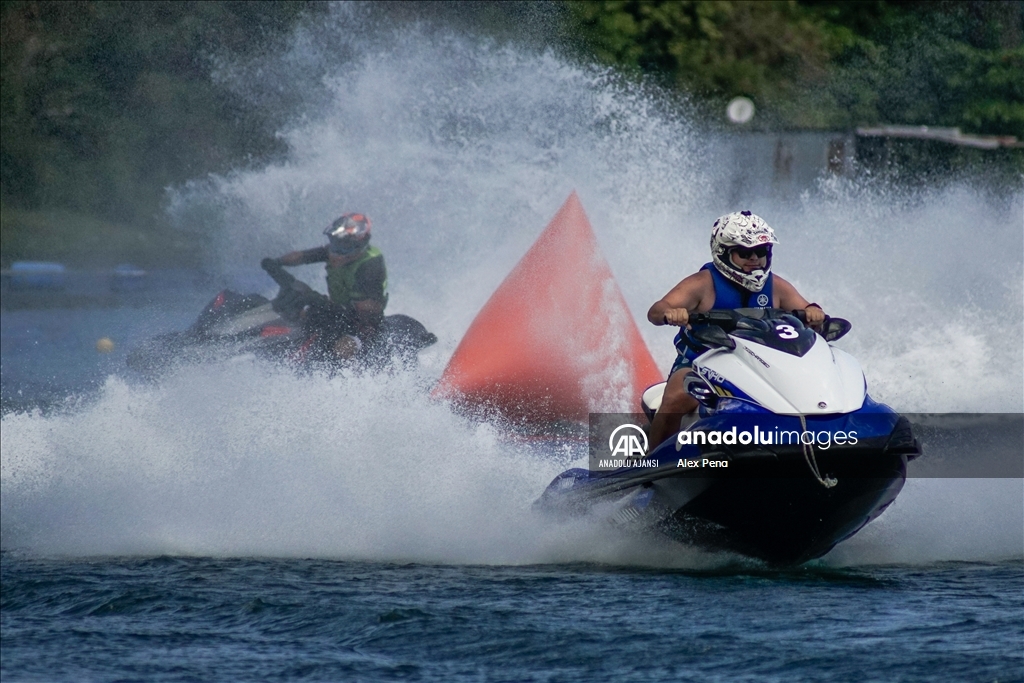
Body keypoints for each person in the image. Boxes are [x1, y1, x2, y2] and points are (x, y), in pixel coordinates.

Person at [646, 211, 826, 451]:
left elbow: (806, 308)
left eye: (760, 252)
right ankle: (650, 463)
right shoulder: (703, 284)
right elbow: (656, 310)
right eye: (744, 253)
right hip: (701, 364)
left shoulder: (776, 287)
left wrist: (814, 312)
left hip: (757, 366)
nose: (754, 259)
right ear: (724, 253)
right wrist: (670, 312)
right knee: (677, 397)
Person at [263, 213, 388, 354]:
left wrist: (320, 302)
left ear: (359, 244)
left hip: (363, 326)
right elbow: (303, 257)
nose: (336, 252)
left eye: (344, 246)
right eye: (335, 243)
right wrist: (277, 262)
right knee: (296, 313)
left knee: (341, 350)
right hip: (338, 313)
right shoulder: (337, 252)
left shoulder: (369, 267)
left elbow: (364, 310)